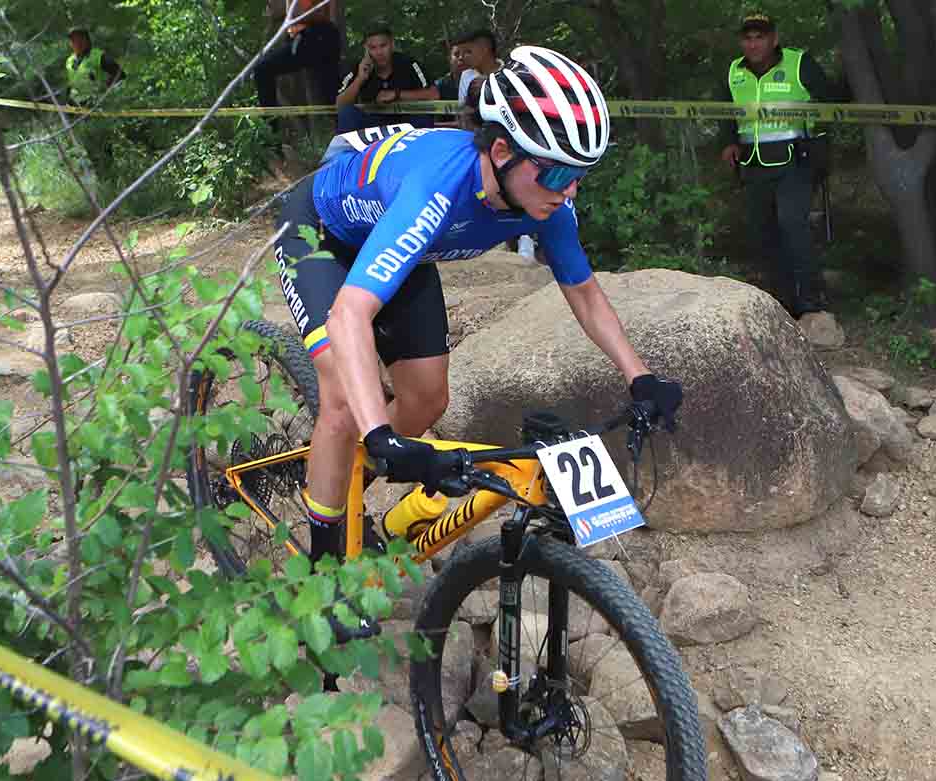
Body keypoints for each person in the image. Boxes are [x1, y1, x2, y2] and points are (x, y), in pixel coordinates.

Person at [273, 45, 682, 614]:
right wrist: (381, 437)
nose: (570, 191)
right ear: (501, 151)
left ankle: (339, 484)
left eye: (581, 176)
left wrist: (641, 377)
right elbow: (349, 315)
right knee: (343, 402)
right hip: (320, 234)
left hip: (398, 250)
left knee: (427, 398)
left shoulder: (545, 203)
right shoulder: (437, 191)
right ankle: (318, 578)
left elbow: (584, 293)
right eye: (559, 173)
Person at [719, 13, 837, 319]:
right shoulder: (734, 71)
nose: (754, 43)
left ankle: (812, 299)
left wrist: (820, 145)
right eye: (748, 37)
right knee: (764, 232)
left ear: (774, 39)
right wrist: (729, 142)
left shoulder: (799, 64)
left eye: (760, 36)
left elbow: (829, 104)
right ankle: (781, 301)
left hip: (795, 160)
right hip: (753, 162)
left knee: (792, 224)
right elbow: (725, 112)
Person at [254, 0, 343, 131]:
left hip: (319, 36)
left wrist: (291, 13)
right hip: (304, 37)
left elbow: (320, 13)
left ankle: (271, 132)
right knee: (263, 68)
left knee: (331, 95)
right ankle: (271, 132)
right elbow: (276, 12)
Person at [336, 25, 435, 132]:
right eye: (373, 48)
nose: (379, 52)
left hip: (406, 123)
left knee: (422, 115)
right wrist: (360, 79)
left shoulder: (408, 63)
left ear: (392, 44)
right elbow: (340, 104)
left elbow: (434, 94)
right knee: (348, 113)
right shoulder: (359, 67)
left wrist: (396, 94)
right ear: (366, 49)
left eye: (383, 46)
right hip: (374, 126)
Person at [64, 28, 123, 105]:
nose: (77, 43)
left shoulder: (99, 56)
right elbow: (71, 83)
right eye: (73, 41)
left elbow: (120, 75)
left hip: (95, 106)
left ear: (87, 40)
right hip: (73, 106)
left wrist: (105, 90)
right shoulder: (70, 60)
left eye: (80, 39)